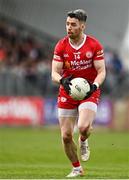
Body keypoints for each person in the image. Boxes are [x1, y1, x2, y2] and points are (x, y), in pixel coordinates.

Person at [51, 9, 106, 178]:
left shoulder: (94, 45)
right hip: (67, 91)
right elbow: (54, 72)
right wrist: (62, 81)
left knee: (83, 127)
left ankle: (83, 139)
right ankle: (76, 168)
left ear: (82, 26)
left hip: (89, 91)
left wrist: (95, 86)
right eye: (67, 24)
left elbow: (102, 71)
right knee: (66, 136)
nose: (69, 27)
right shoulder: (61, 45)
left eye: (73, 24)